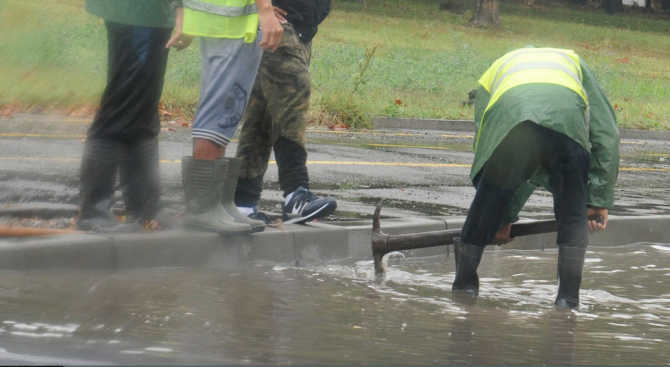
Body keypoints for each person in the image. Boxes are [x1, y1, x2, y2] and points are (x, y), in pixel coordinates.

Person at [453, 46, 620, 308]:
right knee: (573, 214)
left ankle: (462, 292)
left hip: (511, 119)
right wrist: (597, 199)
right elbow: (606, 134)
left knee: (486, 201)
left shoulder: (498, 67)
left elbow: (485, 145)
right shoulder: (573, 61)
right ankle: (567, 302)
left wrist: (498, 214)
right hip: (566, 124)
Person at [166, 0, 283, 235]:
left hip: (223, 18)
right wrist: (265, 9)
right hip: (234, 21)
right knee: (221, 110)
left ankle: (219, 202)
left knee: (225, 112)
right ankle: (202, 208)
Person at [77, 0, 183, 232]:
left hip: (150, 13)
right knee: (123, 104)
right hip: (137, 12)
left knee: (143, 107)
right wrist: (181, 7)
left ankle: (146, 208)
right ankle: (93, 212)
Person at [233, 0, 337, 225]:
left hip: (300, 29)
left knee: (263, 115)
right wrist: (265, 9)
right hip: (279, 23)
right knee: (293, 96)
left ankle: (242, 202)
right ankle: (295, 194)